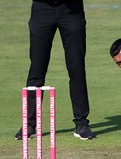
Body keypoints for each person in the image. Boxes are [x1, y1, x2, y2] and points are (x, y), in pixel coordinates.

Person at [15, 0, 96, 141]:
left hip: (72, 11)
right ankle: (29, 124)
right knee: (37, 68)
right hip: (42, 9)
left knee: (76, 67)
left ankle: (81, 124)